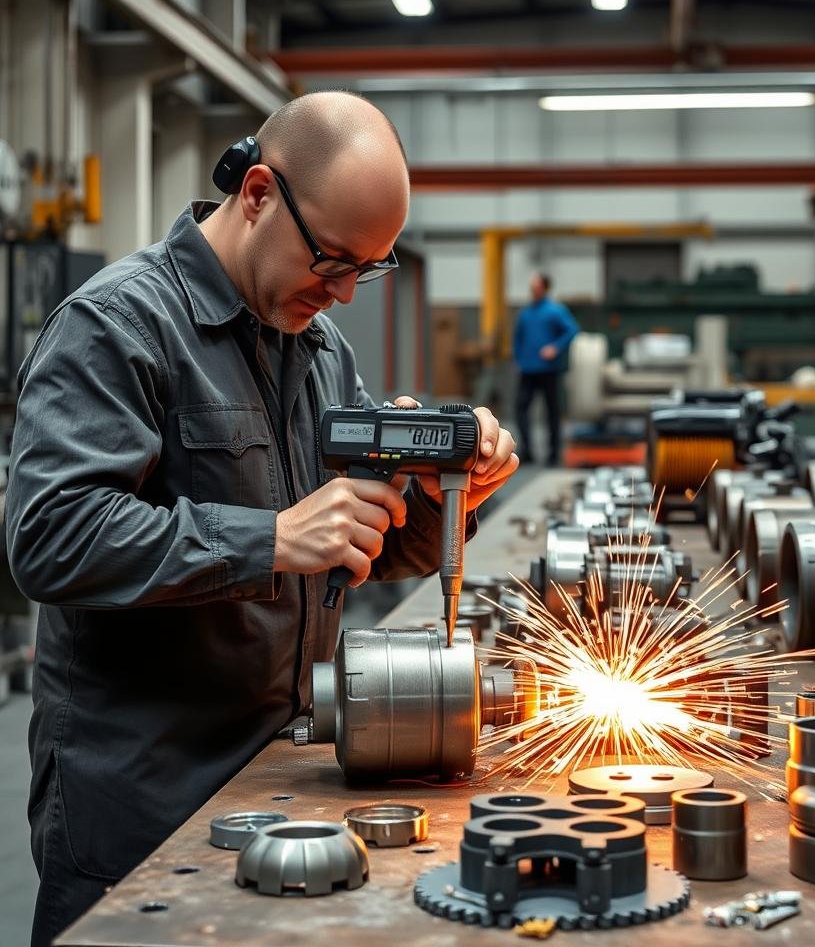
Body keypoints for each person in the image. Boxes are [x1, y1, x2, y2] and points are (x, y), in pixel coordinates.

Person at [5, 91, 518, 946]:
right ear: (257, 195)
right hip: (144, 805)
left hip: (283, 782)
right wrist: (272, 538)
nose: (348, 294)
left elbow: (354, 545)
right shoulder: (116, 326)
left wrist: (438, 502)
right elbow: (51, 537)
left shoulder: (314, 346)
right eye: (334, 262)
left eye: (371, 269)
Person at [512, 272, 579, 465]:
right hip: (528, 370)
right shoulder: (526, 313)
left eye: (536, 285)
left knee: (552, 411)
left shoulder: (555, 311)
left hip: (548, 370)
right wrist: (518, 358)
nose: (532, 289)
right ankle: (527, 450)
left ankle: (553, 453)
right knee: (521, 408)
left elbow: (572, 330)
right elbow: (518, 337)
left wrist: (555, 347)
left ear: (545, 288)